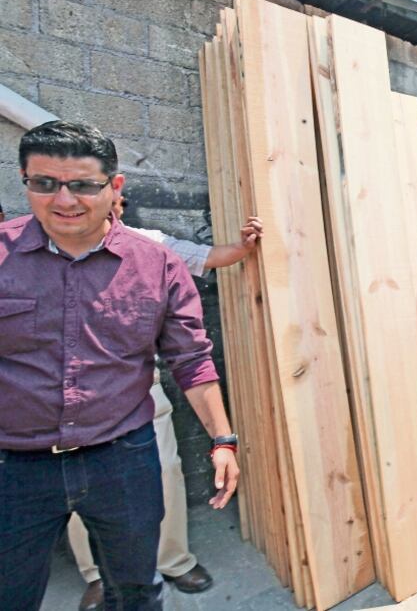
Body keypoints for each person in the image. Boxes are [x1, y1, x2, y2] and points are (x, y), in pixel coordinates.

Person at [0, 121, 239, 611]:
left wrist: (223, 439)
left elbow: (191, 359)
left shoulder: (158, 264)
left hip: (122, 457)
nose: (64, 200)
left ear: (115, 186)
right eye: (44, 183)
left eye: (83, 185)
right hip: (16, 464)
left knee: (135, 589)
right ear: (25, 180)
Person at [69, 190, 262, 610]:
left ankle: (173, 560)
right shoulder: (57, 249)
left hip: (141, 388)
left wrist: (243, 247)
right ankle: (98, 575)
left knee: (166, 474)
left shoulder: (149, 244)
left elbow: (207, 257)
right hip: (74, 398)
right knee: (79, 489)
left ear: (118, 196)